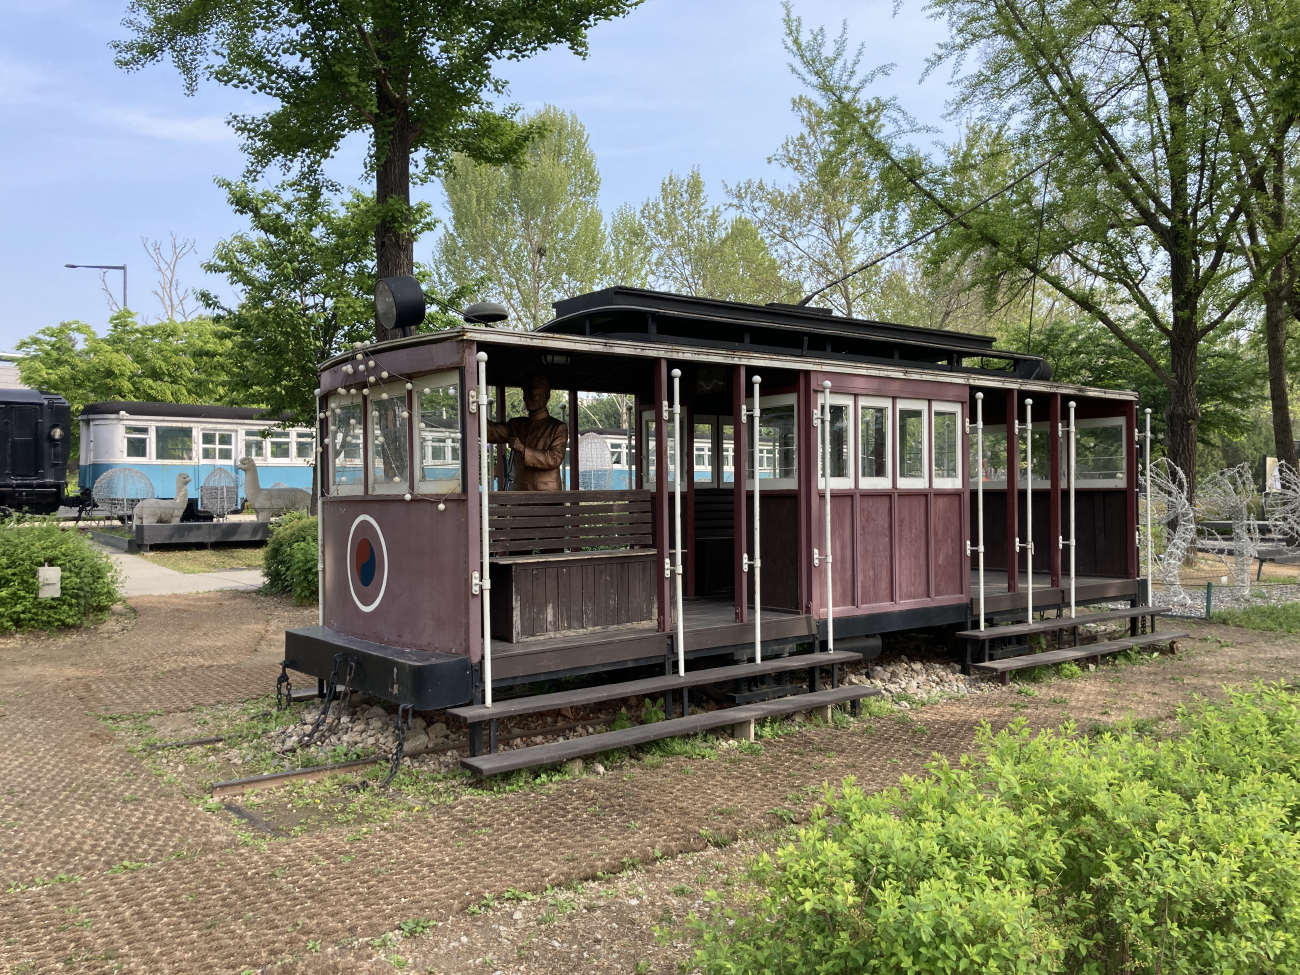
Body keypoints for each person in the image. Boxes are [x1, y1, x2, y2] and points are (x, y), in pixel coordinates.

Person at [486, 376, 568, 491]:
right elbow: (491, 432)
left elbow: (554, 458)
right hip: (519, 492)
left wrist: (523, 449)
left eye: (532, 394)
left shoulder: (557, 427)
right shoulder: (516, 425)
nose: (527, 398)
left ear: (546, 396)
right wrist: (475, 412)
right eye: (525, 394)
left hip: (546, 495)